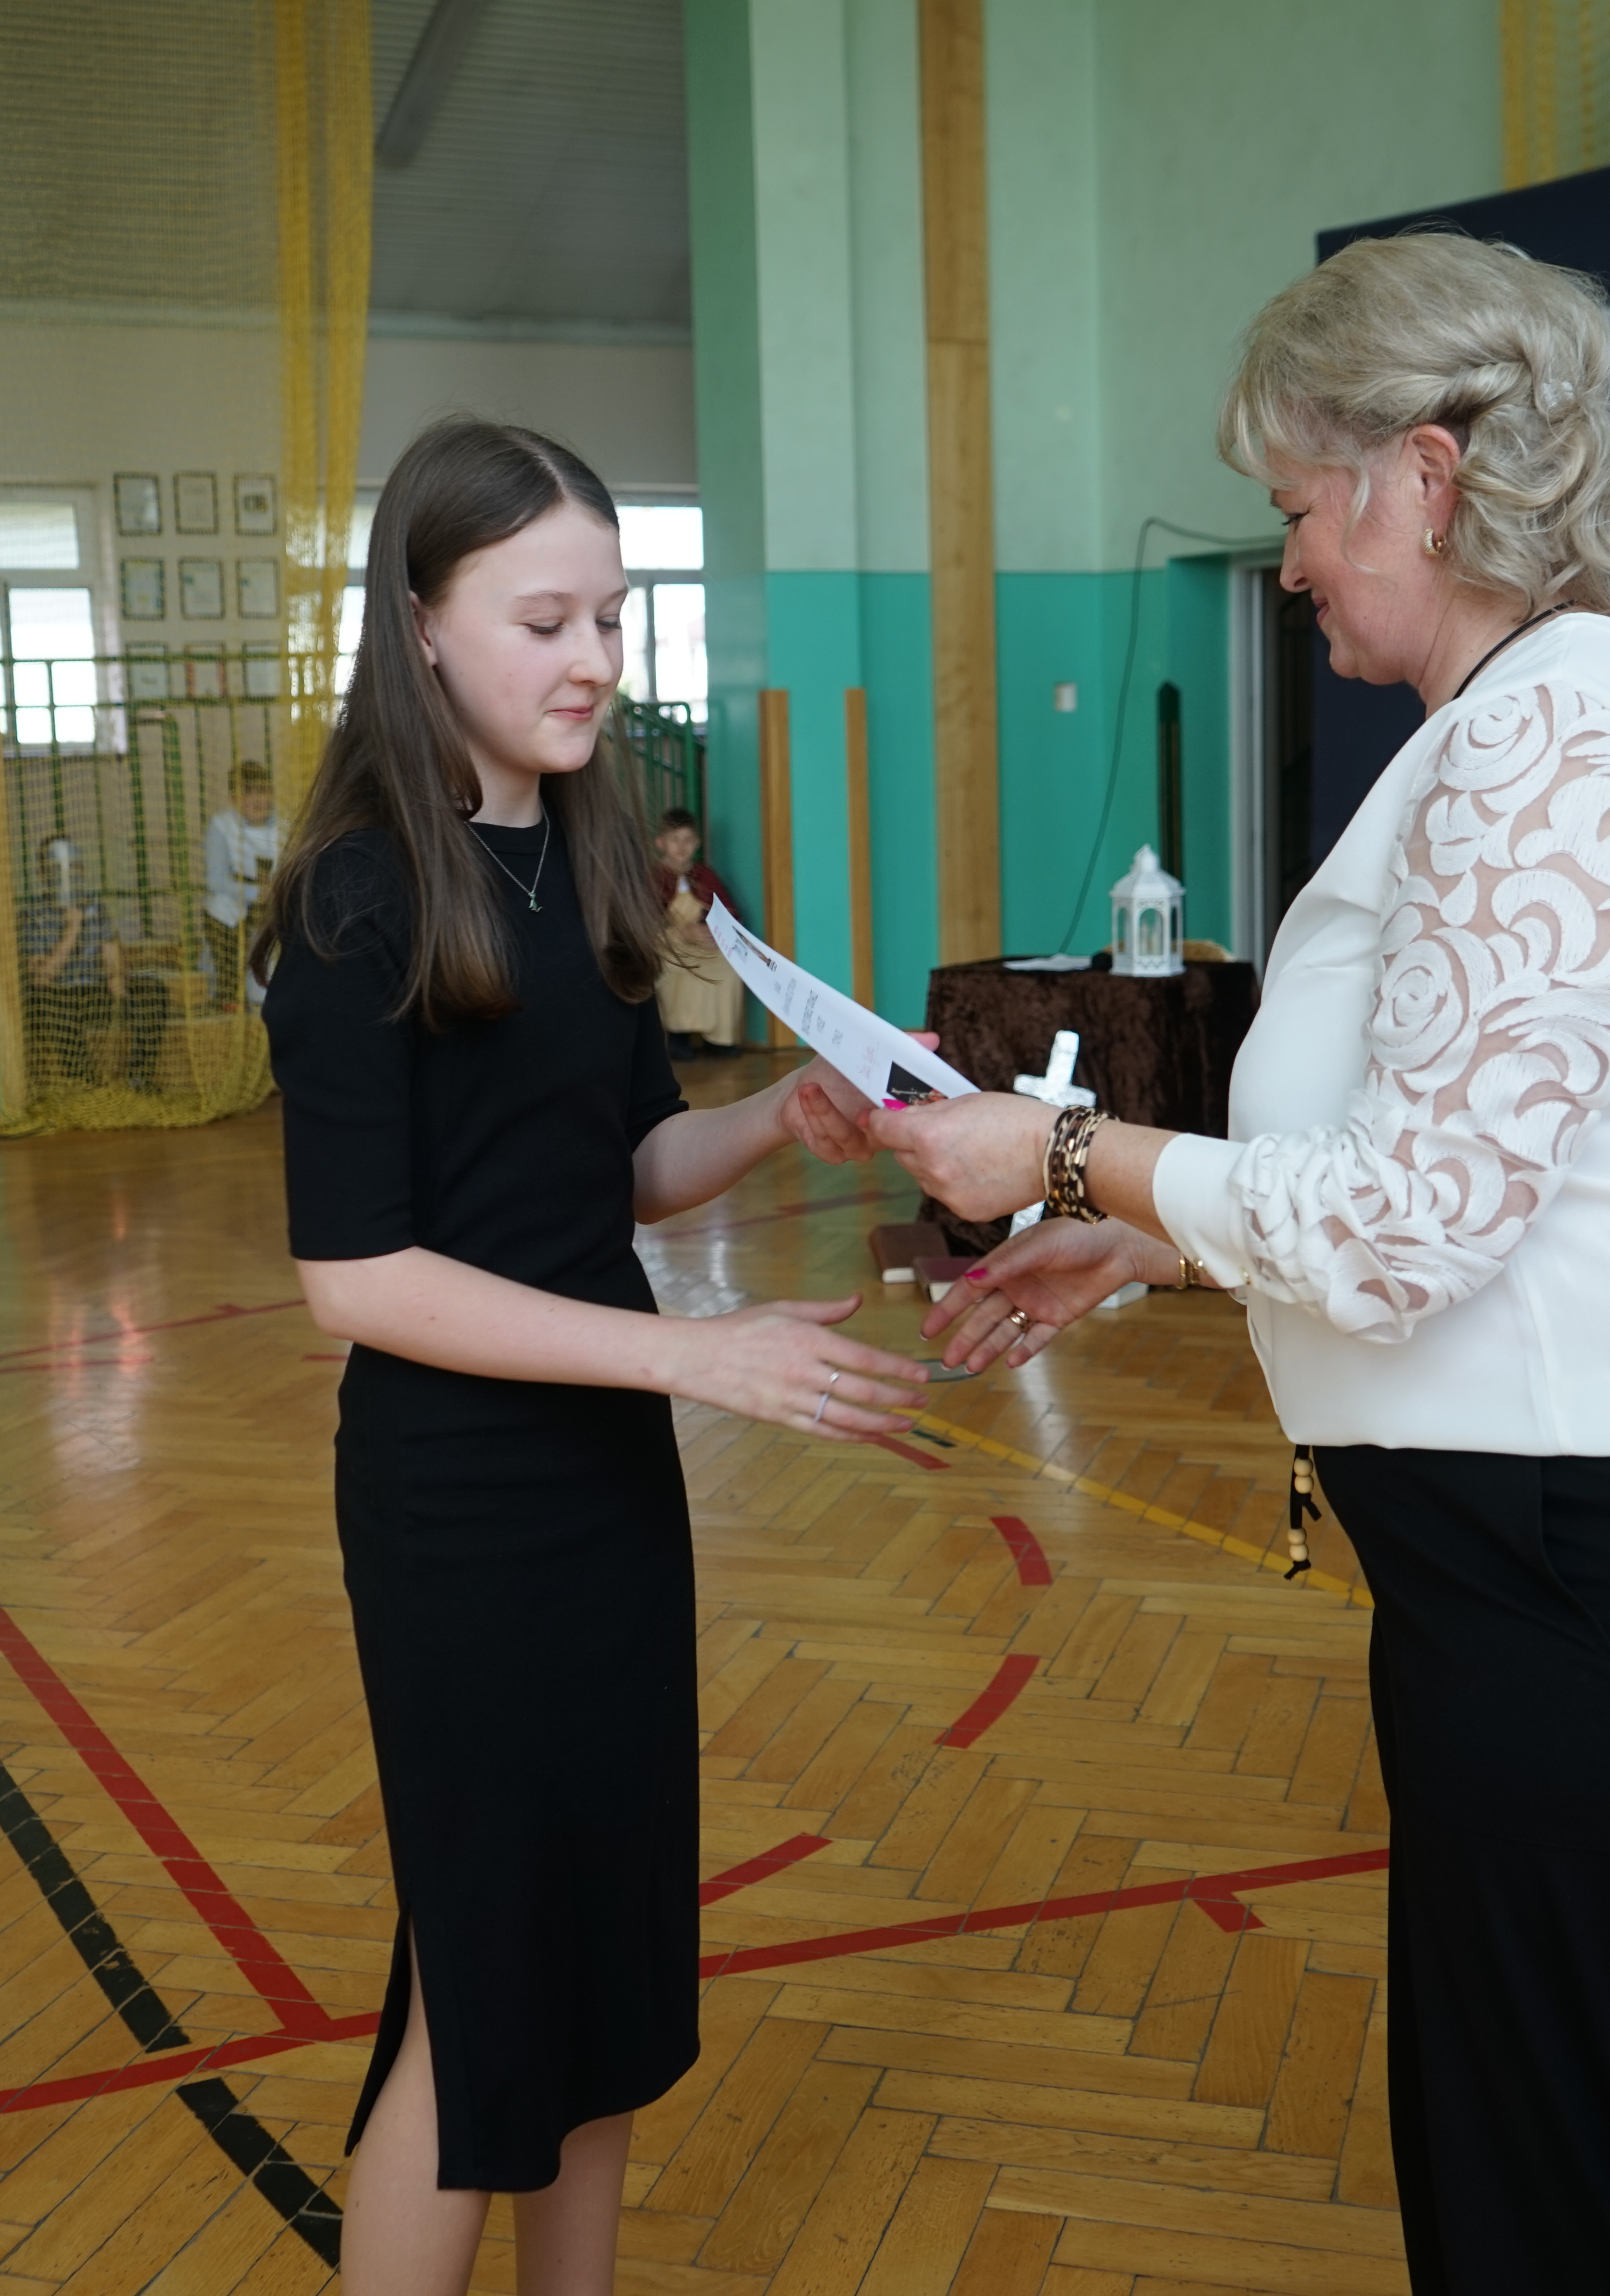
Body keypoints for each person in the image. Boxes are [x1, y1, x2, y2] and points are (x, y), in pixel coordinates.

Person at [870, 229, 1610, 2294]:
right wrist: (1136, 1241)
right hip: (1556, 1558)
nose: (1285, 566)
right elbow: (1476, 1177)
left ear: (1421, 478)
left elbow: (1412, 1223)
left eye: (1293, 506)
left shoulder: (1559, 734)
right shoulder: (1516, 722)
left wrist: (1062, 1140)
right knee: (1529, 2172)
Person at [253, 417, 923, 2296]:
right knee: (482, 1997)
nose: (592, 661)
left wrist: (775, 1119)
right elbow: (358, 1279)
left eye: (612, 620)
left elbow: (618, 1167)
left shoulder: (587, 851)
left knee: (608, 1982)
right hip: (459, 1516)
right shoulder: (354, 900)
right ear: (420, 625)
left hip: (607, 1498)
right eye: (544, 620)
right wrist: (691, 1363)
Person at [18, 833, 168, 1088]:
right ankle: (83, 1084)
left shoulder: (95, 906)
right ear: (42, 874)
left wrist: (116, 976)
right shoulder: (33, 914)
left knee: (153, 990)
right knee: (45, 1003)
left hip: (92, 992)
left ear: (83, 870)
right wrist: (72, 929)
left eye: (74, 867)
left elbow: (112, 956)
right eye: (57, 869)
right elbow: (41, 978)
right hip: (58, 995)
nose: (68, 875)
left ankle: (138, 1078)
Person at [647, 808, 741, 1060]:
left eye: (688, 840)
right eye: (675, 840)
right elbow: (643, 919)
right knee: (675, 964)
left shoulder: (705, 875)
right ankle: (678, 1035)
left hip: (703, 940)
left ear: (697, 843)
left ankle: (720, 1038)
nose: (682, 847)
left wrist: (711, 931)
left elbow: (728, 912)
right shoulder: (653, 876)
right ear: (661, 843)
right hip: (668, 940)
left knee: (727, 965)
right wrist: (679, 931)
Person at [200, 763, 282, 1009]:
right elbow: (216, 879)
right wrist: (256, 892)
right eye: (249, 792)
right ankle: (226, 989)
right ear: (233, 798)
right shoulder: (221, 826)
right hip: (229, 915)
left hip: (271, 913)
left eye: (263, 791)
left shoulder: (284, 826)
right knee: (233, 995)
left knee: (265, 994)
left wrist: (277, 889)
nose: (258, 800)